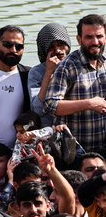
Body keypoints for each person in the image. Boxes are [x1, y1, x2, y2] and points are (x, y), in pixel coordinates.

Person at [44, 14, 106, 153]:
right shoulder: (68, 66)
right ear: (79, 39)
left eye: (99, 36)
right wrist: (88, 104)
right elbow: (50, 105)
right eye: (89, 37)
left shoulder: (105, 64)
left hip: (102, 150)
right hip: (76, 152)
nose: (95, 41)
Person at [28, 23, 72, 127]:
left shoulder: (77, 66)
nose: (57, 50)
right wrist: (49, 72)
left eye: (61, 44)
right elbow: (37, 109)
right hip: (48, 132)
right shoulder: (37, 72)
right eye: (51, 47)